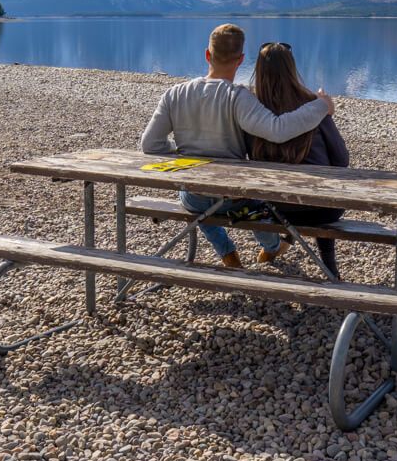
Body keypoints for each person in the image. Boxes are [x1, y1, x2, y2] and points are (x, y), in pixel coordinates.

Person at [140, 24, 335, 268]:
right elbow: (278, 130)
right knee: (259, 203)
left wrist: (180, 154)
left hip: (194, 195)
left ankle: (227, 253)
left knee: (198, 205)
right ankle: (273, 247)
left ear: (207, 54)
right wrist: (320, 106)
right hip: (233, 197)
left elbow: (150, 144)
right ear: (241, 59)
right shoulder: (238, 97)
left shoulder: (175, 94)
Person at [246, 42, 349, 276]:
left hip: (271, 207)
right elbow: (341, 159)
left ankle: (286, 239)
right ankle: (329, 268)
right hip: (321, 209)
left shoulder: (250, 109)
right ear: (292, 69)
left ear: (259, 71)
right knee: (323, 192)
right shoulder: (313, 107)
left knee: (298, 194)